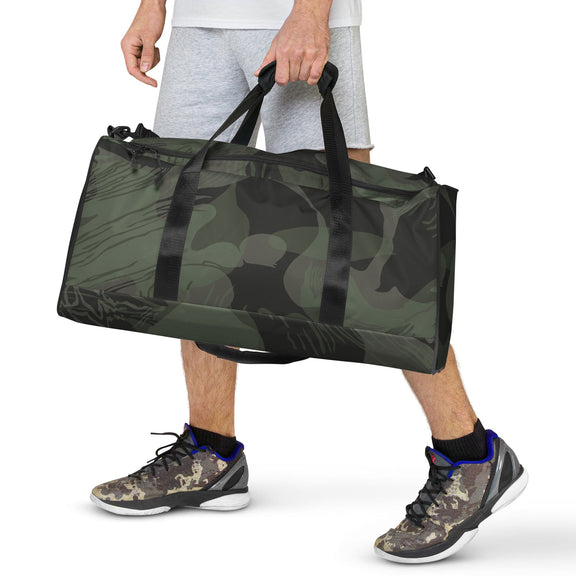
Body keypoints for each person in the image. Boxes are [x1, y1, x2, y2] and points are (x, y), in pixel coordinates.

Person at [90, 0, 527, 564]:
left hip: (295, 19)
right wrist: (153, 6)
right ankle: (211, 453)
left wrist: (311, 13)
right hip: (199, 23)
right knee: (196, 238)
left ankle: (471, 455)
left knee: (365, 247)